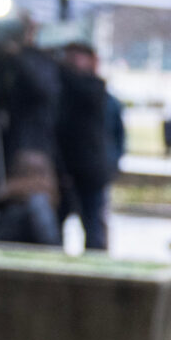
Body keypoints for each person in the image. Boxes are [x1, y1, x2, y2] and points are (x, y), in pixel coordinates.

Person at [0, 19, 62, 246]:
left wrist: (19, 55)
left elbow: (43, 90)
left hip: (34, 146)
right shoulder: (6, 62)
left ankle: (47, 244)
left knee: (34, 197)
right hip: (12, 143)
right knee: (15, 203)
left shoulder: (42, 63)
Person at [54, 42, 115, 252]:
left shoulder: (93, 86)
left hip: (89, 170)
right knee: (59, 221)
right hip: (65, 167)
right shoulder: (65, 86)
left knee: (92, 224)